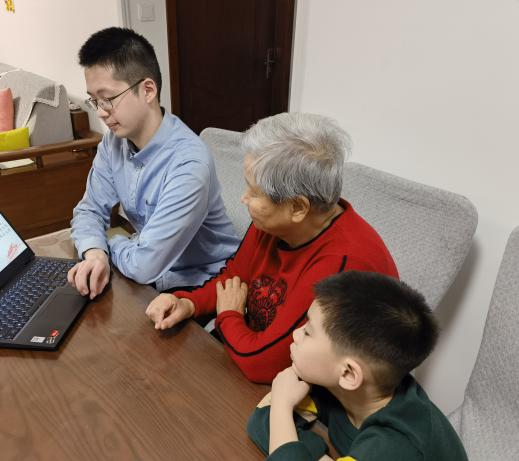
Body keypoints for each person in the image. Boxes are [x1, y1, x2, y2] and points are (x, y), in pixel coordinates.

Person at [145, 112, 398, 383]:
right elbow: (235, 278)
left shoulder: (342, 264)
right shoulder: (276, 223)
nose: (243, 198)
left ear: (297, 207)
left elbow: (262, 364)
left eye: (254, 192)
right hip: (248, 353)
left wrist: (228, 315)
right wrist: (188, 303)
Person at [68, 27, 240, 297]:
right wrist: (95, 253)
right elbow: (89, 210)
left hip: (205, 286)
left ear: (148, 90)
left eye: (108, 99)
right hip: (150, 277)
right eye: (94, 100)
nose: (100, 112)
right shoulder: (113, 142)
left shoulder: (189, 163)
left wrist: (113, 241)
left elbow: (144, 265)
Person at [247, 271, 468, 460]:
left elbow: (276, 417)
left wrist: (282, 406)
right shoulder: (343, 385)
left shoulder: (393, 445)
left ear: (349, 374)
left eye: (308, 332)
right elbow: (262, 420)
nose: (296, 334)